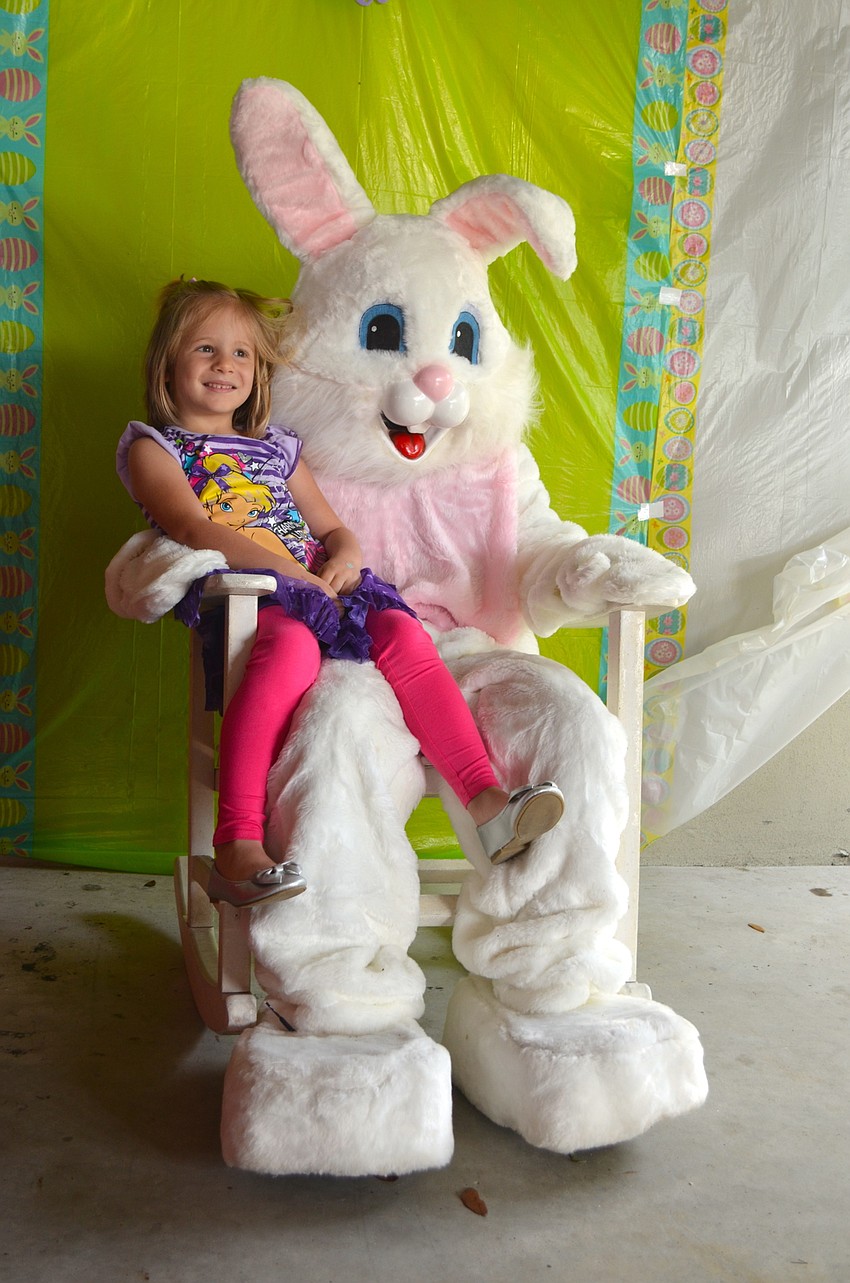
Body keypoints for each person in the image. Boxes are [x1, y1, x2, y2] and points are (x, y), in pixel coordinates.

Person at [117, 278, 564, 907]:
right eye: (205, 350)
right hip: (241, 591)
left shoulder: (277, 448)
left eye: (241, 353)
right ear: (169, 362)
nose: (226, 366)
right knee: (293, 649)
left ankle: (486, 801)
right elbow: (195, 527)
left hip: (315, 579)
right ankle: (237, 842)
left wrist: (347, 555)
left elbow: (329, 526)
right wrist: (288, 573)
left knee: (404, 632)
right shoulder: (155, 447)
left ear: (259, 367)